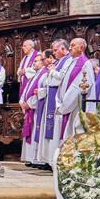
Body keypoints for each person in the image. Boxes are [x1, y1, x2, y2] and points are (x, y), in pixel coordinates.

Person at [35, 39, 72, 167]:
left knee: (56, 131)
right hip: (51, 97)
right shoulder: (60, 61)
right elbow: (50, 81)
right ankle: (50, 159)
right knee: (52, 129)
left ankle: (54, 160)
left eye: (55, 50)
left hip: (58, 99)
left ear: (63, 49)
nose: (54, 53)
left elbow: (60, 78)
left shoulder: (67, 60)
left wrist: (52, 71)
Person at [56, 38, 93, 140]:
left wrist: (64, 106)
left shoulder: (85, 64)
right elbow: (62, 83)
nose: (70, 48)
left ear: (81, 48)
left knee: (75, 136)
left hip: (77, 107)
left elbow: (78, 88)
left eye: (73, 45)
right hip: (68, 106)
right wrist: (59, 101)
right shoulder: (71, 62)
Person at [20, 53, 50, 165]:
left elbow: (39, 92)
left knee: (35, 133)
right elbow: (26, 90)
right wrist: (22, 102)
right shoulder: (34, 75)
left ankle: (36, 158)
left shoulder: (44, 74)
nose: (34, 63)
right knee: (30, 132)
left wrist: (29, 104)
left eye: (36, 61)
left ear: (42, 62)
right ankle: (29, 157)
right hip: (29, 109)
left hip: (37, 109)